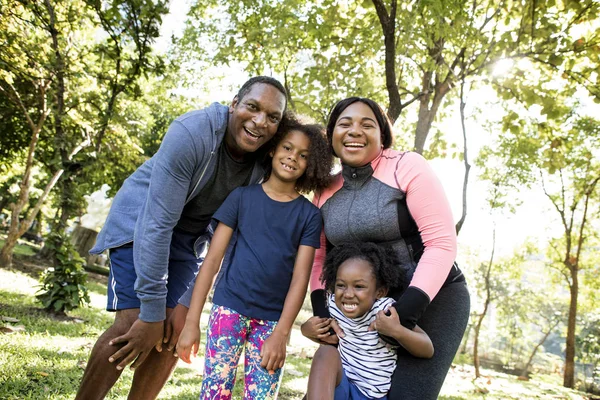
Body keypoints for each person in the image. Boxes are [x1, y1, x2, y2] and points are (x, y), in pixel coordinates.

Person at [75, 76, 288, 400]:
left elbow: (226, 238)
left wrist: (187, 304)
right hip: (141, 225)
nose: (260, 122)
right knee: (134, 323)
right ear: (234, 104)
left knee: (175, 332)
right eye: (253, 107)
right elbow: (157, 224)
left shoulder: (265, 162)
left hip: (191, 243)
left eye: (273, 117)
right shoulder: (192, 133)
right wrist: (151, 311)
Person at [303, 97, 470, 400]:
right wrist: (323, 317)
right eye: (345, 123)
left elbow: (442, 243)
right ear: (332, 135)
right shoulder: (324, 190)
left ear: (383, 137)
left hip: (433, 299)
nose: (355, 131)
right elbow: (318, 259)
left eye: (367, 124)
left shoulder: (406, 166)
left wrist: (401, 318)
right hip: (365, 304)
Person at [175, 116, 332, 399]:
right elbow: (211, 262)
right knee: (213, 394)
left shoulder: (309, 215)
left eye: (303, 155)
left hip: (272, 323)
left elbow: (300, 279)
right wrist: (191, 323)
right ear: (272, 149)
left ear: (312, 164)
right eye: (287, 147)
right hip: (228, 311)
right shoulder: (241, 197)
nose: (292, 157)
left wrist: (282, 334)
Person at [303, 242, 433, 400]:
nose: (348, 294)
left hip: (370, 395)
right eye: (341, 285)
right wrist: (306, 329)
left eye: (359, 286)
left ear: (380, 292)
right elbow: (322, 336)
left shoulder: (386, 311)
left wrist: (396, 331)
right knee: (326, 352)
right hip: (341, 386)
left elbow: (427, 349)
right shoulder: (334, 305)